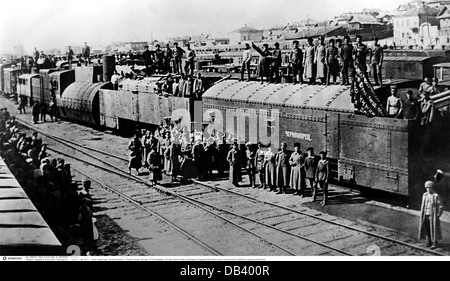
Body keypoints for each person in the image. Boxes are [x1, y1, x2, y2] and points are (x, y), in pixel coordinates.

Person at [418, 181, 444, 249]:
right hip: (425, 214)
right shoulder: (425, 195)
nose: (428, 189)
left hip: (433, 215)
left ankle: (434, 243)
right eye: (427, 187)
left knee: (434, 229)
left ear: (432, 188)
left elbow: (441, 206)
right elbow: (422, 205)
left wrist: (438, 214)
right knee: (426, 229)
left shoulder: (436, 195)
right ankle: (428, 242)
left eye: (429, 187)